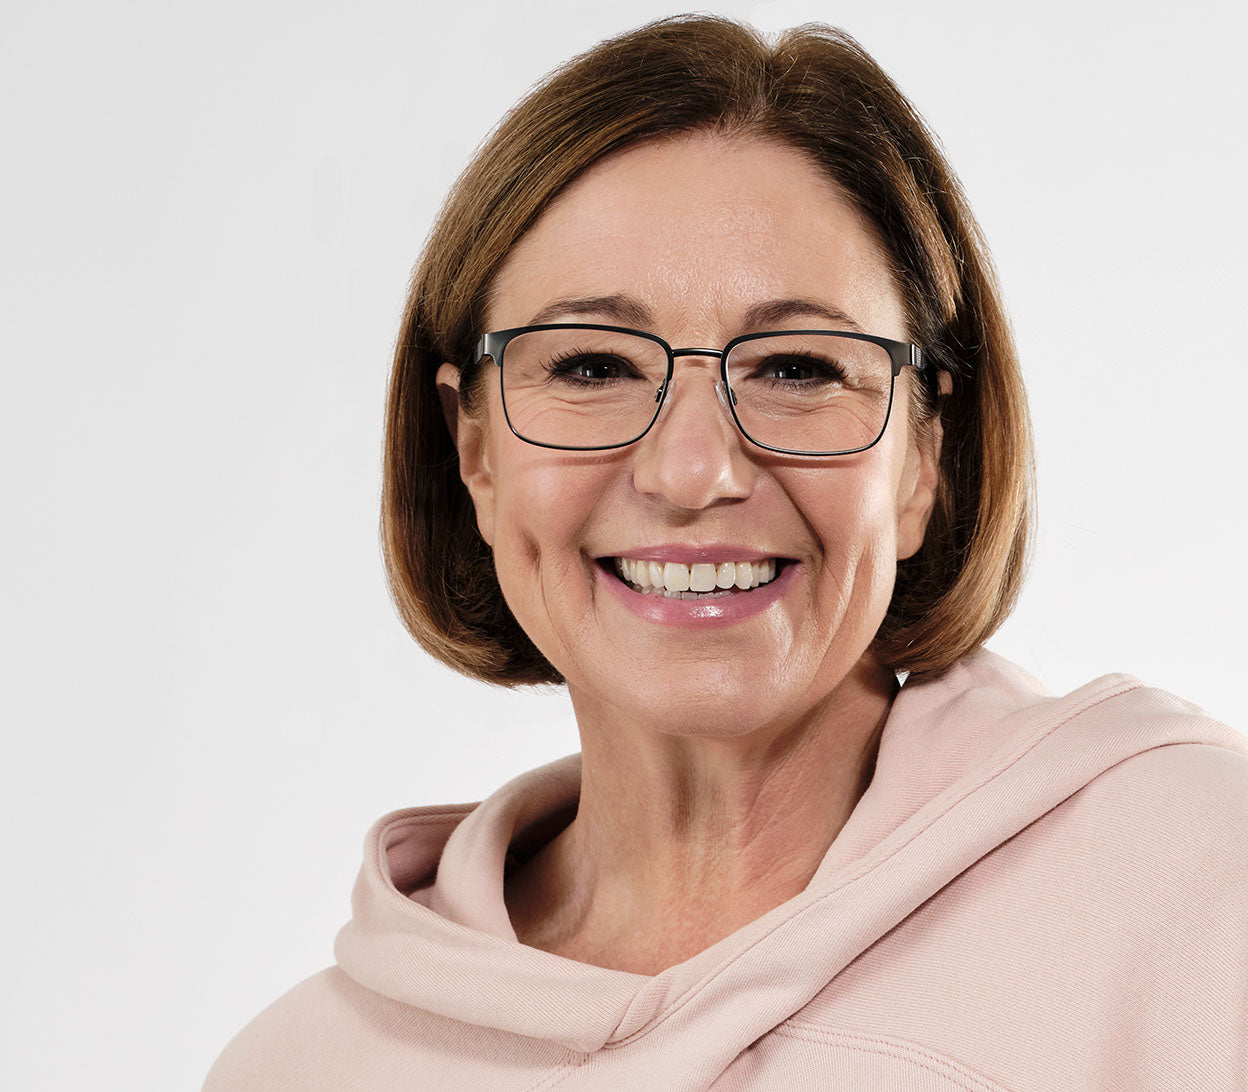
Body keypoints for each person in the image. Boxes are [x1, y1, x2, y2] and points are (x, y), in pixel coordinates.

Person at [203, 14, 1247, 1090]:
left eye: (797, 367)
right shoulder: (304, 1068)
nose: (692, 471)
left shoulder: (1202, 898)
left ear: (925, 457)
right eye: (592, 367)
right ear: (473, 450)